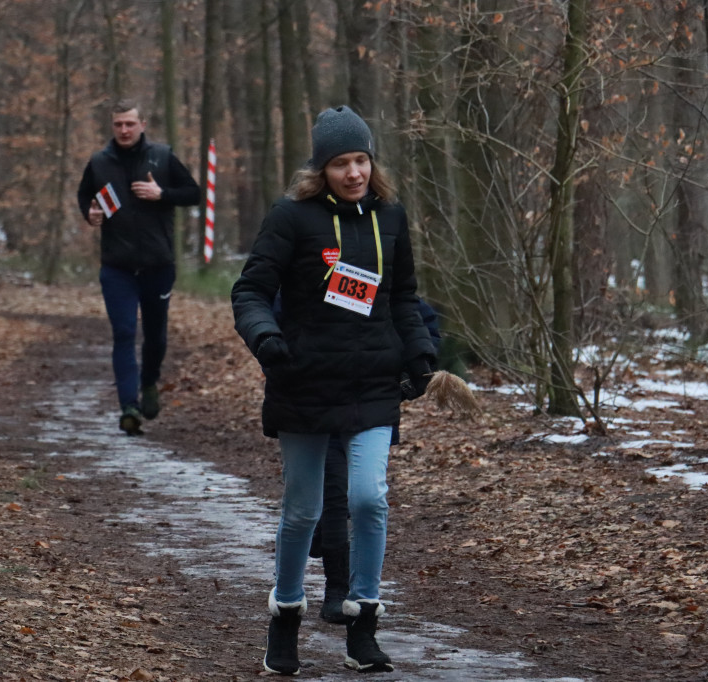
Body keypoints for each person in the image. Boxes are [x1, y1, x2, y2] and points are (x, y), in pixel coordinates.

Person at [232, 105, 436, 675]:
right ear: (321, 168)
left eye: (362, 160)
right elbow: (249, 291)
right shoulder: (290, 217)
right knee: (303, 510)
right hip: (304, 382)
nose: (354, 173)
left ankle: (363, 620)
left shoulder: (390, 217)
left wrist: (419, 353)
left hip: (372, 382)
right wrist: (265, 337)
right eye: (342, 163)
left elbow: (403, 297)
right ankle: (285, 617)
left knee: (371, 498)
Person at [310, 298, 442, 625]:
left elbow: (422, 326)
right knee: (333, 494)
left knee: (366, 498)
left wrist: (413, 375)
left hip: (372, 408)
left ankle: (360, 589)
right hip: (318, 405)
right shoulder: (311, 273)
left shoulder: (384, 278)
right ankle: (337, 591)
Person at [77, 98, 199, 435]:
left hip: (158, 264)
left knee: (156, 336)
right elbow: (84, 197)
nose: (124, 130)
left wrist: (162, 194)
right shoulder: (100, 161)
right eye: (118, 124)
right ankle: (128, 406)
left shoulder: (161, 156)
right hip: (117, 266)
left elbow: (193, 193)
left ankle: (148, 383)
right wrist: (90, 213)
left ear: (142, 124)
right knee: (124, 332)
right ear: (112, 126)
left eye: (130, 123)